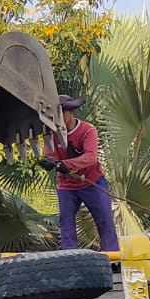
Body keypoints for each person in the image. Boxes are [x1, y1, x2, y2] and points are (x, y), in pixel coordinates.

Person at [40, 93, 118, 252]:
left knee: (104, 220)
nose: (59, 118)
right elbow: (50, 155)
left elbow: (90, 157)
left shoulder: (88, 130)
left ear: (71, 112)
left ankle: (113, 257)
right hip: (67, 186)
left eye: (62, 113)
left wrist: (65, 164)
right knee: (65, 221)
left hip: (93, 182)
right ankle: (70, 255)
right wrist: (49, 162)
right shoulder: (50, 134)